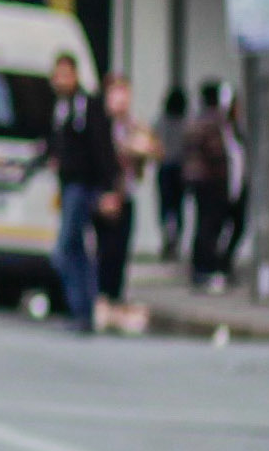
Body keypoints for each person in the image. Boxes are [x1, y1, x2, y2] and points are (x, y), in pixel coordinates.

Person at [42, 54, 118, 334]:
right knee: (77, 250)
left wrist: (109, 188)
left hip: (82, 186)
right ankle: (83, 311)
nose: (61, 80)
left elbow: (102, 147)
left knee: (64, 251)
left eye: (66, 74)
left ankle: (81, 308)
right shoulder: (59, 107)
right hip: (67, 185)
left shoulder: (86, 105)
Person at [95, 72, 155, 325]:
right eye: (116, 95)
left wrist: (141, 150)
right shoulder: (99, 125)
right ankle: (100, 298)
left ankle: (115, 299)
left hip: (127, 194)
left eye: (125, 95)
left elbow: (153, 150)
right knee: (104, 250)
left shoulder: (134, 125)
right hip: (104, 195)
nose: (121, 101)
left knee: (120, 250)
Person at [182, 79, 235, 289]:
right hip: (211, 180)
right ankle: (205, 269)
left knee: (202, 224)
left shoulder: (196, 120)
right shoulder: (213, 121)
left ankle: (200, 268)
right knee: (209, 226)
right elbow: (216, 153)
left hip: (197, 180)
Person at [153, 85, 190, 261]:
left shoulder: (161, 121)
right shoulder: (187, 122)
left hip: (166, 166)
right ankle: (175, 239)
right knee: (178, 206)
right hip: (181, 168)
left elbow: (155, 142)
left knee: (166, 206)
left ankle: (168, 237)